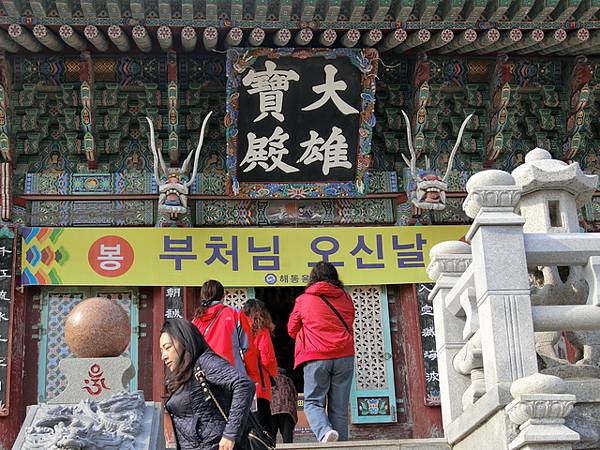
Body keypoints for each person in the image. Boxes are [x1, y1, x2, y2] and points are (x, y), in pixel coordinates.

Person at [160, 319, 255, 450]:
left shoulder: (204, 362)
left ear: (184, 341)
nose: (163, 356)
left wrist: (230, 435)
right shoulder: (183, 374)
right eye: (161, 350)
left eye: (167, 348)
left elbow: (243, 385)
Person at [288, 261, 355, 443]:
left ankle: (324, 431)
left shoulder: (303, 300)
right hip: (344, 356)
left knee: (312, 402)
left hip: (316, 357)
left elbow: (291, 329)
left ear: (313, 277)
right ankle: (340, 444)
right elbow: (349, 321)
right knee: (339, 407)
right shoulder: (346, 298)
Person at [192, 280, 261, 388]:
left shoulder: (196, 320)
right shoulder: (236, 315)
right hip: (232, 374)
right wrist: (253, 376)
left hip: (205, 377)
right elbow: (248, 349)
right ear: (223, 296)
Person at [242, 299, 278, 438]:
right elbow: (267, 359)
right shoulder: (261, 332)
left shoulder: (238, 330)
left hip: (240, 383)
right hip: (259, 385)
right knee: (264, 429)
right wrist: (274, 373)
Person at [270, 367, 298, 443]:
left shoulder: (268, 378)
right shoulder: (288, 380)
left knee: (270, 438)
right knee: (287, 439)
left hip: (271, 410)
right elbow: (295, 395)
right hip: (286, 410)